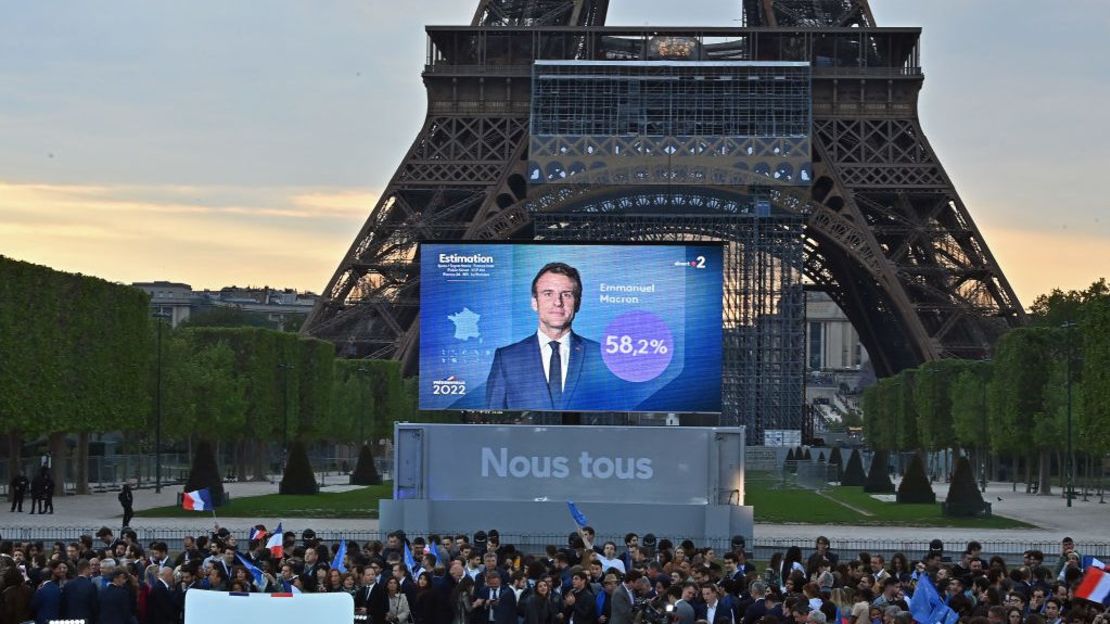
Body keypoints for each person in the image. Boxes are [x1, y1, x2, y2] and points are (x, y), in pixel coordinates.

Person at [484, 262, 611, 411]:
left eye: (566, 294)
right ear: (534, 303)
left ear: (577, 304)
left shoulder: (602, 356)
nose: (558, 302)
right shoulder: (506, 358)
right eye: (548, 294)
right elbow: (492, 420)